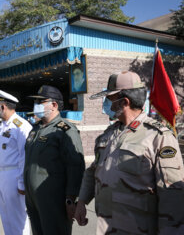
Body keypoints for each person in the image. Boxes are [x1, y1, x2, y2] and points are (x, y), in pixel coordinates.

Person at [74, 71, 184, 234]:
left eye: (110, 100)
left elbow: (172, 196)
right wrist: (82, 201)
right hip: (106, 228)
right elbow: (92, 172)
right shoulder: (107, 135)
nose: (108, 106)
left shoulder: (158, 136)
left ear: (124, 102)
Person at [24, 85, 85, 235]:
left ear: (54, 105)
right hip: (33, 197)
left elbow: (75, 166)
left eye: (40, 102)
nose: (36, 105)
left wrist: (71, 198)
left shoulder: (64, 130)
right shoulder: (36, 129)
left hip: (53, 199)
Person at [0, 89, 32, 235]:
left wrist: (22, 183)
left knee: (18, 219)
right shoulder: (2, 126)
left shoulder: (21, 126)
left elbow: (25, 156)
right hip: (1, 176)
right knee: (6, 218)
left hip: (13, 177)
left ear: (3, 106)